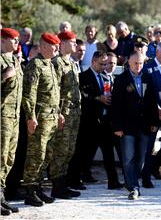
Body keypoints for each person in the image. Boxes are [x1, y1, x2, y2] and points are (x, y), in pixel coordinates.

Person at [67, 51, 122, 190]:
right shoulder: (83, 77)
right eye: (102, 64)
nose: (104, 66)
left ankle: (113, 181)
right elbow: (81, 96)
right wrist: (97, 98)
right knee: (83, 152)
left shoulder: (106, 76)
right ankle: (74, 179)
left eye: (106, 64)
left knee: (108, 153)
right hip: (88, 121)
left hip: (104, 121)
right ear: (93, 61)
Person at [112, 51, 159, 200]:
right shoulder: (121, 79)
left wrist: (154, 122)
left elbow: (152, 102)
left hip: (144, 125)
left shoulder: (148, 77)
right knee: (128, 158)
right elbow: (116, 105)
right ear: (129, 63)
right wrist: (117, 127)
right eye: (135, 63)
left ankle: (131, 181)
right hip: (127, 126)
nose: (138, 66)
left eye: (141, 63)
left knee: (141, 159)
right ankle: (133, 186)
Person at [22, 32, 62, 207]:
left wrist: (59, 112)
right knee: (36, 154)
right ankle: (30, 191)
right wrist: (30, 117)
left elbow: (54, 93)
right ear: (44, 46)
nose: (57, 49)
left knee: (47, 154)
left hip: (52, 116)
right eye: (55, 46)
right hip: (40, 117)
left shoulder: (50, 64)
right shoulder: (35, 65)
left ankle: (38, 188)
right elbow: (29, 94)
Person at [49, 31, 82, 199]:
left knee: (69, 150)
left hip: (74, 112)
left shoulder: (72, 62)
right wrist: (59, 113)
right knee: (60, 150)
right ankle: (57, 185)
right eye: (73, 42)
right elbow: (54, 92)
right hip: (64, 112)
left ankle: (63, 183)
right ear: (62, 43)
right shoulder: (57, 63)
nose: (75, 45)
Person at [141, 41, 161, 188]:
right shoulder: (147, 68)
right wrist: (156, 108)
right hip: (152, 113)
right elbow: (146, 94)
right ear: (157, 53)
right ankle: (146, 176)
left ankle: (155, 166)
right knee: (149, 146)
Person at [1, 28, 22, 216]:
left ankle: (1, 197)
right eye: (13, 39)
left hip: (14, 116)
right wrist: (4, 76)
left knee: (9, 159)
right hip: (2, 116)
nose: (17, 43)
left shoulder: (15, 60)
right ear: (3, 40)